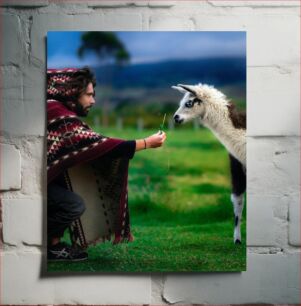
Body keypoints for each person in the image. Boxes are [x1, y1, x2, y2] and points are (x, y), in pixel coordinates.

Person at [47, 67, 166, 262]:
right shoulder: (56, 113)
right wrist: (146, 143)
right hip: (33, 183)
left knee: (64, 185)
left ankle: (52, 244)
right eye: (89, 95)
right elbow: (94, 143)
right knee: (73, 204)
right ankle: (46, 245)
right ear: (72, 93)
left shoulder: (52, 107)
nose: (93, 101)